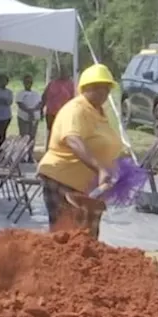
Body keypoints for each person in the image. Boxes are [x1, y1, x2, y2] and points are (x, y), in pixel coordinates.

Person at [37, 64, 123, 239]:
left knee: (88, 236)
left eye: (106, 88)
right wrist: (100, 168)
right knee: (69, 235)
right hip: (63, 180)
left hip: (90, 187)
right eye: (97, 88)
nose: (103, 93)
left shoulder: (98, 112)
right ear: (85, 88)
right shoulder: (76, 110)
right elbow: (73, 140)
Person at [15, 74, 43, 159]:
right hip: (23, 117)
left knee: (32, 137)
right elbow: (20, 104)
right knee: (24, 137)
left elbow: (40, 103)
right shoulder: (20, 93)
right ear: (24, 83)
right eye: (27, 82)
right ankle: (23, 155)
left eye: (30, 82)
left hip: (34, 118)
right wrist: (29, 111)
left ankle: (30, 155)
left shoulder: (36, 93)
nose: (28, 83)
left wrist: (34, 111)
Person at [43, 66, 76, 135]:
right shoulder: (52, 83)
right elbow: (44, 96)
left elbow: (73, 99)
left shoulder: (70, 84)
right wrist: (41, 109)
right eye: (62, 71)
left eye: (65, 71)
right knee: (52, 133)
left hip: (64, 114)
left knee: (62, 133)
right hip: (51, 114)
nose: (63, 73)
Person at [0, 74, 14, 150]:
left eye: (5, 81)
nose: (4, 83)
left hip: (5, 117)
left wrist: (1, 100)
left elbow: (9, 102)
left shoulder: (9, 92)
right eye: (2, 81)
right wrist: (2, 100)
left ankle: (2, 152)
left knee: (2, 135)